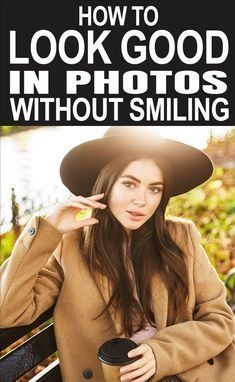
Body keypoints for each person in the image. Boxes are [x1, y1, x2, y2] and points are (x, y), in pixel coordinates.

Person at [0, 126, 234, 382]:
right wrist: (47, 231)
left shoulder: (180, 239)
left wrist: (162, 353)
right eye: (129, 184)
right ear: (105, 185)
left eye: (154, 189)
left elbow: (220, 320)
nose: (141, 200)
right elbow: (7, 311)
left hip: (180, 374)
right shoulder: (70, 249)